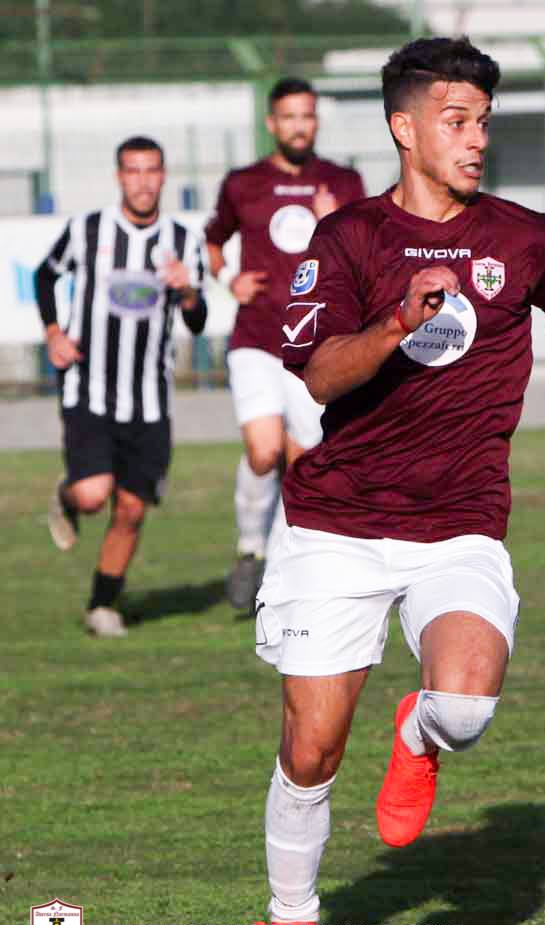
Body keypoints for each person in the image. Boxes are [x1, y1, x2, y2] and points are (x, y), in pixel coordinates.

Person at [248, 37, 545, 925]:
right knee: (311, 747)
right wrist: (396, 322)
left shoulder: (528, 237)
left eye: (484, 122)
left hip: (458, 524)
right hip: (335, 525)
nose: (475, 139)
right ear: (404, 127)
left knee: (463, 708)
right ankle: (291, 914)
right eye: (456, 121)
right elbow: (316, 374)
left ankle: (416, 734)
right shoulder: (346, 241)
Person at [204, 77, 367, 610]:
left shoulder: (343, 181)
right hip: (255, 338)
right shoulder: (243, 183)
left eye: (308, 116)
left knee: (301, 461)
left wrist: (333, 224)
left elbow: (366, 251)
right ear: (272, 123)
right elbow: (211, 240)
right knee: (263, 449)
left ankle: (274, 573)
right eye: (289, 117)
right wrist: (229, 279)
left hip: (315, 346)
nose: (300, 125)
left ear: (316, 121)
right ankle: (249, 546)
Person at [38, 136, 208, 638]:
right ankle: (69, 495)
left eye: (151, 170)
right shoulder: (86, 230)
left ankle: (102, 605)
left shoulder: (182, 240)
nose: (142, 181)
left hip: (150, 400)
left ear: (163, 175)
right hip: (88, 388)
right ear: (119, 177)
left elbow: (197, 322)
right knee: (95, 495)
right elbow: (47, 277)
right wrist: (53, 332)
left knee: (131, 508)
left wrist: (188, 290)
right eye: (132, 171)